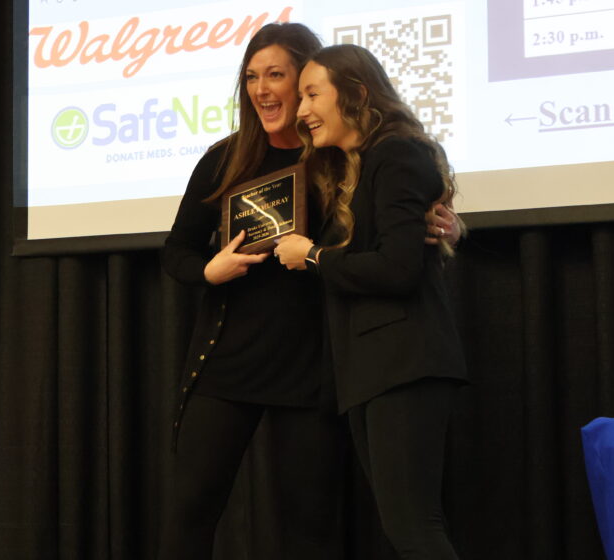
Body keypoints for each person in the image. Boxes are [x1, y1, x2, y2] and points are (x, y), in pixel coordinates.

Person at [159, 23, 460, 559]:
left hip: (319, 363)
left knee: (313, 520)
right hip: (231, 359)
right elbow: (175, 253)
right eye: (252, 76)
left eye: (278, 75)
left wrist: (440, 224)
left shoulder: (340, 156)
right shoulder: (224, 159)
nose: (264, 90)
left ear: (308, 83)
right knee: (191, 505)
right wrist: (211, 269)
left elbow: (390, 241)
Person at [275, 43, 469, 560]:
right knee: (404, 526)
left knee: (414, 527)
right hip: (373, 369)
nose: (301, 111)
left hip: (403, 363)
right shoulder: (353, 169)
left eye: (312, 94)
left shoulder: (396, 155)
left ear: (356, 94)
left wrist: (313, 256)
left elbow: (398, 269)